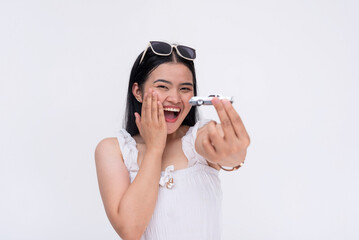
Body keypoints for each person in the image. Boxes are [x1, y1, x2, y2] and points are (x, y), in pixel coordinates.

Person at [95, 41, 250, 240]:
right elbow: (130, 230)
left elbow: (221, 149)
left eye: (185, 89)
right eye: (162, 87)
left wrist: (233, 153)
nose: (175, 98)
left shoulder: (197, 137)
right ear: (138, 91)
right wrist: (154, 148)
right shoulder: (113, 149)